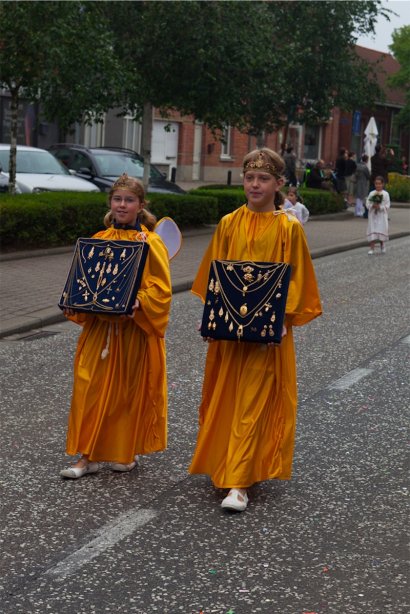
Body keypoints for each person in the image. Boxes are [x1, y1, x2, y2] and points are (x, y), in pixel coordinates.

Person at [189, 148, 322, 512]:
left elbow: (296, 280)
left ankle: (240, 482)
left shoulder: (288, 228)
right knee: (226, 398)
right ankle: (226, 464)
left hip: (267, 337)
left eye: (263, 179)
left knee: (254, 400)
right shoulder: (228, 223)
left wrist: (282, 319)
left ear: (278, 184)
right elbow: (215, 274)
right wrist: (211, 317)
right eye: (250, 178)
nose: (255, 185)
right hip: (229, 336)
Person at [60, 174, 172, 478]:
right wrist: (75, 299)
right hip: (99, 330)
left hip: (131, 332)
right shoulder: (98, 238)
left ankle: (125, 453)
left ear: (141, 205)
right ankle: (87, 457)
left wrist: (140, 301)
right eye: (117, 199)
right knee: (89, 389)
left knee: (125, 394)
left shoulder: (151, 242)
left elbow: (161, 289)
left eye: (129, 200)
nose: (122, 205)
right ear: (110, 202)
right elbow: (85, 278)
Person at [366, 175, 390, 255]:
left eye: (379, 184)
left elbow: (387, 205)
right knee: (372, 229)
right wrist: (372, 205)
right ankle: (372, 248)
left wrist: (380, 207)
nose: (378, 185)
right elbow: (367, 203)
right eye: (376, 183)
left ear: (382, 184)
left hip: (381, 216)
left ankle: (382, 246)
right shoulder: (371, 193)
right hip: (373, 215)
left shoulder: (385, 194)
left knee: (381, 230)